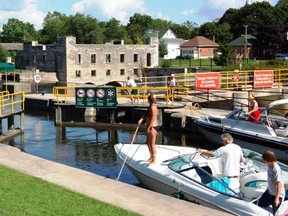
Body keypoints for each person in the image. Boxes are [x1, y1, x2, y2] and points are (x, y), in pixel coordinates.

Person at [258, 150, 285, 214]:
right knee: (260, 205)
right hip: (269, 192)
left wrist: (277, 198)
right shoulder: (269, 165)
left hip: (277, 195)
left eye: (265, 160)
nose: (264, 162)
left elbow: (279, 183)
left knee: (276, 213)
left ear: (268, 160)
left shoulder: (276, 169)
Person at [138, 93, 159, 166]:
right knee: (147, 142)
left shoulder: (153, 107)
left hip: (153, 127)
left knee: (152, 144)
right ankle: (151, 157)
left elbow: (153, 118)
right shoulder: (150, 107)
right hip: (150, 127)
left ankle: (154, 160)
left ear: (150, 100)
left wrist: (149, 127)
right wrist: (141, 119)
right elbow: (146, 114)